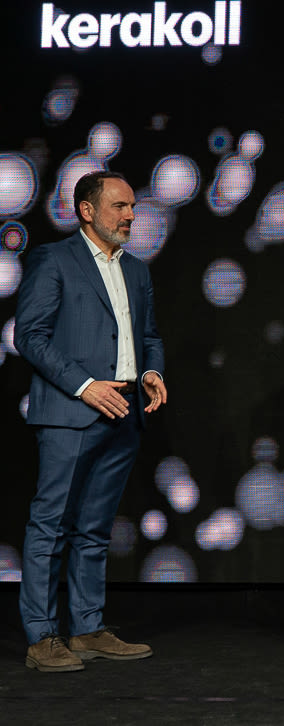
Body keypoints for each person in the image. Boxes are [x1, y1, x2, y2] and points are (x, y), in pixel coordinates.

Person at [14, 171, 166, 673]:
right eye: (120, 206)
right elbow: (30, 336)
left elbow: (148, 336)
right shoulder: (54, 259)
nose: (131, 215)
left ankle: (87, 628)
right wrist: (85, 385)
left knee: (95, 528)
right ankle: (42, 637)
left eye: (132, 207)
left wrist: (151, 372)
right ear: (86, 210)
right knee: (50, 525)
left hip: (125, 413)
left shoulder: (136, 269)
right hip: (72, 412)